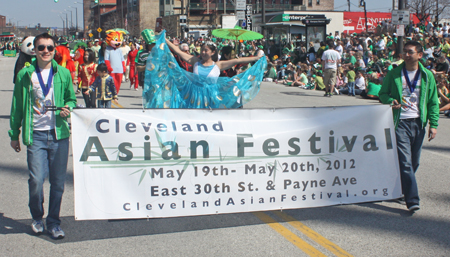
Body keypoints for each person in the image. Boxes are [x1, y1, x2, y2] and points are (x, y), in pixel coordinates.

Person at [9, 33, 77, 239]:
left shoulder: (63, 73)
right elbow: (17, 107)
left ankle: (54, 222)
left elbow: (71, 99)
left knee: (57, 183)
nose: (46, 51)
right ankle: (37, 216)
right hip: (36, 135)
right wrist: (15, 134)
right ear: (34, 50)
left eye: (50, 47)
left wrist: (68, 108)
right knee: (37, 180)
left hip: (59, 135)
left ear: (55, 49)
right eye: (41, 48)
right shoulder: (25, 75)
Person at [379, 40, 439, 212]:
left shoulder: (427, 76)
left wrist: (433, 124)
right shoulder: (394, 74)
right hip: (400, 122)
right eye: (404, 51)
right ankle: (412, 200)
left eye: (410, 52)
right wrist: (391, 101)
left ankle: (401, 189)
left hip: (418, 123)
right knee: (405, 162)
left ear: (419, 55)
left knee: (414, 162)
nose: (406, 54)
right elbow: (383, 93)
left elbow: (433, 102)